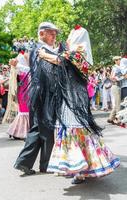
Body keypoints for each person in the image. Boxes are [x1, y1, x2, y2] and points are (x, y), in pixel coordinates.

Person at [37, 25, 120, 184]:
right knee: (80, 131)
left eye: (70, 36)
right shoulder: (81, 53)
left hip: (72, 99)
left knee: (73, 130)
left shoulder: (77, 53)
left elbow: (60, 61)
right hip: (74, 98)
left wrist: (43, 54)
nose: (67, 38)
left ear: (76, 38)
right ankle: (84, 168)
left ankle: (78, 169)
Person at [14, 22, 60, 175]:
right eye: (51, 33)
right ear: (42, 34)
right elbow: (48, 72)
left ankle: (26, 162)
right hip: (43, 93)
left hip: (39, 93)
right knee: (45, 127)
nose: (54, 36)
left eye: (55, 33)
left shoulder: (36, 49)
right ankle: (44, 164)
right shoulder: (40, 50)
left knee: (38, 128)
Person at [7, 48, 30, 139]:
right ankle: (20, 132)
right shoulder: (22, 72)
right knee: (24, 112)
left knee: (24, 112)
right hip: (24, 92)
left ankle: (16, 131)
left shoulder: (21, 72)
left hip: (24, 92)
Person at [107, 56, 121, 124]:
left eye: (119, 59)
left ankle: (111, 118)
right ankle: (119, 120)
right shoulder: (116, 68)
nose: (119, 61)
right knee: (118, 104)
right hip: (116, 86)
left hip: (116, 86)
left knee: (117, 103)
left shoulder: (117, 67)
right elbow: (112, 78)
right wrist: (118, 79)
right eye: (118, 60)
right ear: (115, 61)